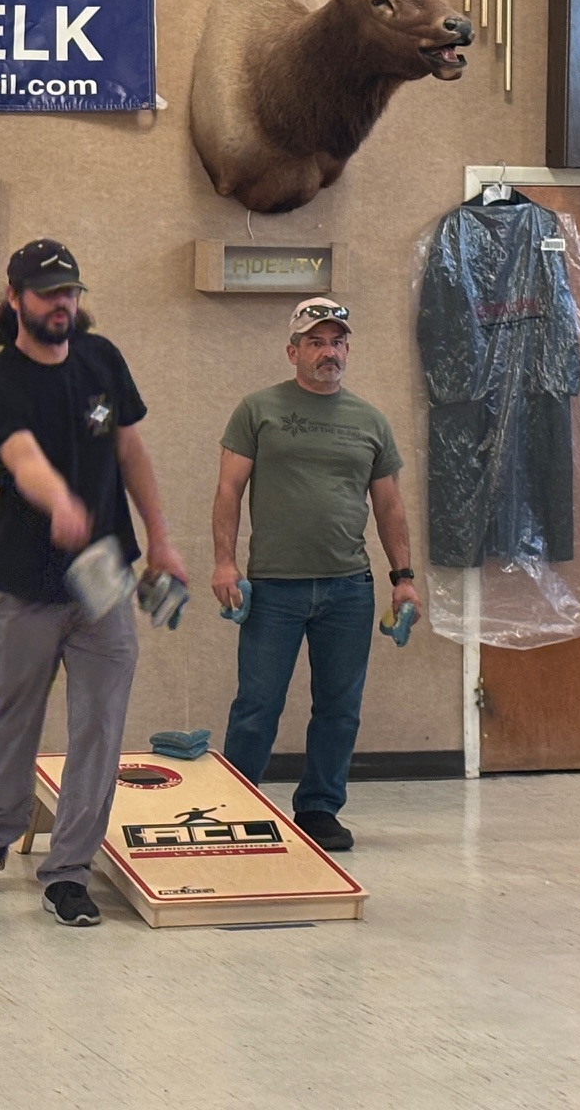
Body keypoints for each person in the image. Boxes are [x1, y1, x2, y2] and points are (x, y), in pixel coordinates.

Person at [0, 239, 186, 927]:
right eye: (50, 293)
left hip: (103, 579)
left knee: (100, 726)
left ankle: (70, 870)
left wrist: (163, 541)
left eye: (72, 293)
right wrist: (59, 500)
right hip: (23, 583)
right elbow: (23, 458)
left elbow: (130, 450)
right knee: (13, 714)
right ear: (16, 298)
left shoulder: (101, 359)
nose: (63, 305)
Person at [211, 299, 417, 853]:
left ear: (348, 350)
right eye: (317, 342)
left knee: (340, 706)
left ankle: (320, 808)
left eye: (338, 342)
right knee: (257, 704)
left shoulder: (369, 420)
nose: (329, 352)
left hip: (349, 587)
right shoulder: (259, 410)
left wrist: (403, 577)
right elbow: (229, 490)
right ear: (293, 351)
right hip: (274, 586)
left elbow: (390, 506)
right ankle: (238, 805)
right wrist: (225, 563)